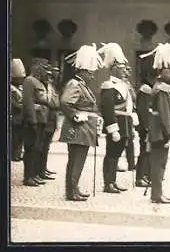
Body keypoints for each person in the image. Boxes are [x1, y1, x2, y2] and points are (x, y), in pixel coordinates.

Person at [58, 44, 103, 201]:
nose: (92, 75)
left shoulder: (81, 84)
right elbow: (65, 102)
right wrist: (75, 115)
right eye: (90, 72)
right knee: (76, 160)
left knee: (77, 160)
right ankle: (72, 191)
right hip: (78, 128)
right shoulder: (75, 84)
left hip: (83, 128)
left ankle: (73, 188)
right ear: (82, 71)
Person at [140, 43, 170, 204]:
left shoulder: (162, 86)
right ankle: (157, 194)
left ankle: (158, 193)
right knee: (158, 164)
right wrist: (169, 134)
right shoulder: (163, 89)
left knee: (159, 163)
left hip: (158, 131)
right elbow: (164, 115)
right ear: (163, 72)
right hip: (160, 132)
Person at [98, 43, 135, 194]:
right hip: (116, 123)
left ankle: (112, 181)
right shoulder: (109, 85)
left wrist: (133, 116)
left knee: (117, 153)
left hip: (125, 122)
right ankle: (108, 183)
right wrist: (112, 129)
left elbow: (128, 104)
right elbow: (107, 109)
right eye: (121, 67)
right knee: (112, 154)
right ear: (114, 69)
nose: (125, 70)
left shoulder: (122, 85)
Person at [22, 57, 51, 187]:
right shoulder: (29, 81)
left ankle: (34, 175)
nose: (45, 71)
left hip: (41, 120)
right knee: (30, 148)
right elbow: (28, 102)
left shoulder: (39, 82)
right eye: (43, 68)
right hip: (33, 121)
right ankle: (28, 177)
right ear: (36, 67)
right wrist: (32, 120)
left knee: (37, 149)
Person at [38, 65, 61, 181]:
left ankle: (43, 168)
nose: (56, 75)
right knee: (42, 146)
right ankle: (40, 170)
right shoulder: (47, 86)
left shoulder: (54, 87)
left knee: (46, 146)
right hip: (46, 120)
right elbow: (52, 102)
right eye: (53, 74)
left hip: (52, 119)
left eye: (58, 73)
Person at [135, 78, 153, 187]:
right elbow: (144, 110)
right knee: (144, 151)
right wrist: (147, 126)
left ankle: (146, 175)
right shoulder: (145, 89)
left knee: (148, 151)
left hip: (150, 125)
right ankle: (140, 176)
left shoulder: (150, 89)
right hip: (146, 126)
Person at [11, 58, 26, 162]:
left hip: (21, 117)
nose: (21, 80)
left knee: (20, 137)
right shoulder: (11, 88)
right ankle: (14, 154)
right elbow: (14, 104)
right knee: (15, 137)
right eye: (19, 78)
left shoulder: (20, 87)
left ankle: (18, 153)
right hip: (14, 116)